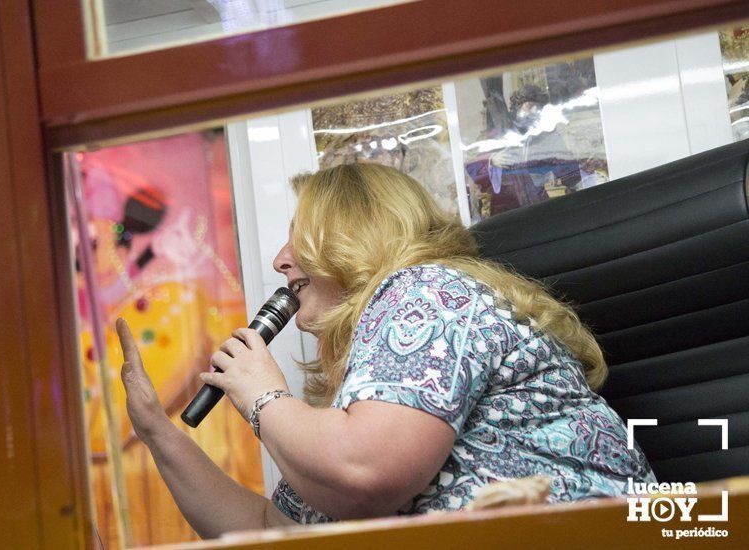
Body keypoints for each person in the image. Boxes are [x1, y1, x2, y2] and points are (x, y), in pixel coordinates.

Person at [117, 163, 655, 536]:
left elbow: (366, 469)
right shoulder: (361, 397)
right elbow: (268, 530)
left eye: (298, 235)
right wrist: (155, 431)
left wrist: (263, 395)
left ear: (354, 235)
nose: (281, 260)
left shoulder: (428, 291)